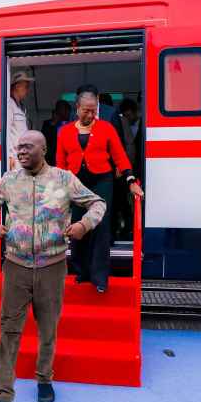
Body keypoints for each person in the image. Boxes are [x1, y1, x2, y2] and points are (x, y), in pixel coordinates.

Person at [0, 130, 106, 402]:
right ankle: (3, 397)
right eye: (19, 146)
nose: (21, 151)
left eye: (27, 146)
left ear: (44, 149)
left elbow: (98, 203)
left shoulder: (64, 179)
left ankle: (44, 378)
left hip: (52, 266)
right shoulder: (9, 180)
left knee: (48, 327)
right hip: (16, 265)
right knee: (9, 330)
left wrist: (85, 225)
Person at [56, 89, 144, 293]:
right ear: (77, 109)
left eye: (93, 111)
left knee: (101, 227)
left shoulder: (106, 128)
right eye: (86, 111)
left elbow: (120, 155)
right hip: (75, 183)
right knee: (78, 226)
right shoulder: (66, 131)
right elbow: (60, 162)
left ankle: (100, 276)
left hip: (101, 181)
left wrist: (131, 179)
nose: (90, 115)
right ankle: (82, 271)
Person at [111, 98, 142, 238]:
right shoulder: (121, 121)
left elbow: (129, 147)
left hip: (123, 170)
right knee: (121, 201)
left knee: (121, 201)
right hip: (124, 169)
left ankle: (126, 229)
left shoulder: (120, 121)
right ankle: (125, 228)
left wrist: (126, 168)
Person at [6, 70, 34, 170]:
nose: (28, 90)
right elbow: (7, 131)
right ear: (17, 86)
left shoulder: (22, 107)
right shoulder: (9, 104)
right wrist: (9, 155)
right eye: (26, 87)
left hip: (23, 155)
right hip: (15, 157)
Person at [41, 99, 70, 166]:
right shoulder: (47, 124)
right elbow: (44, 140)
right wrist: (54, 123)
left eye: (68, 110)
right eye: (65, 110)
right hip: (51, 160)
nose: (67, 113)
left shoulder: (70, 125)